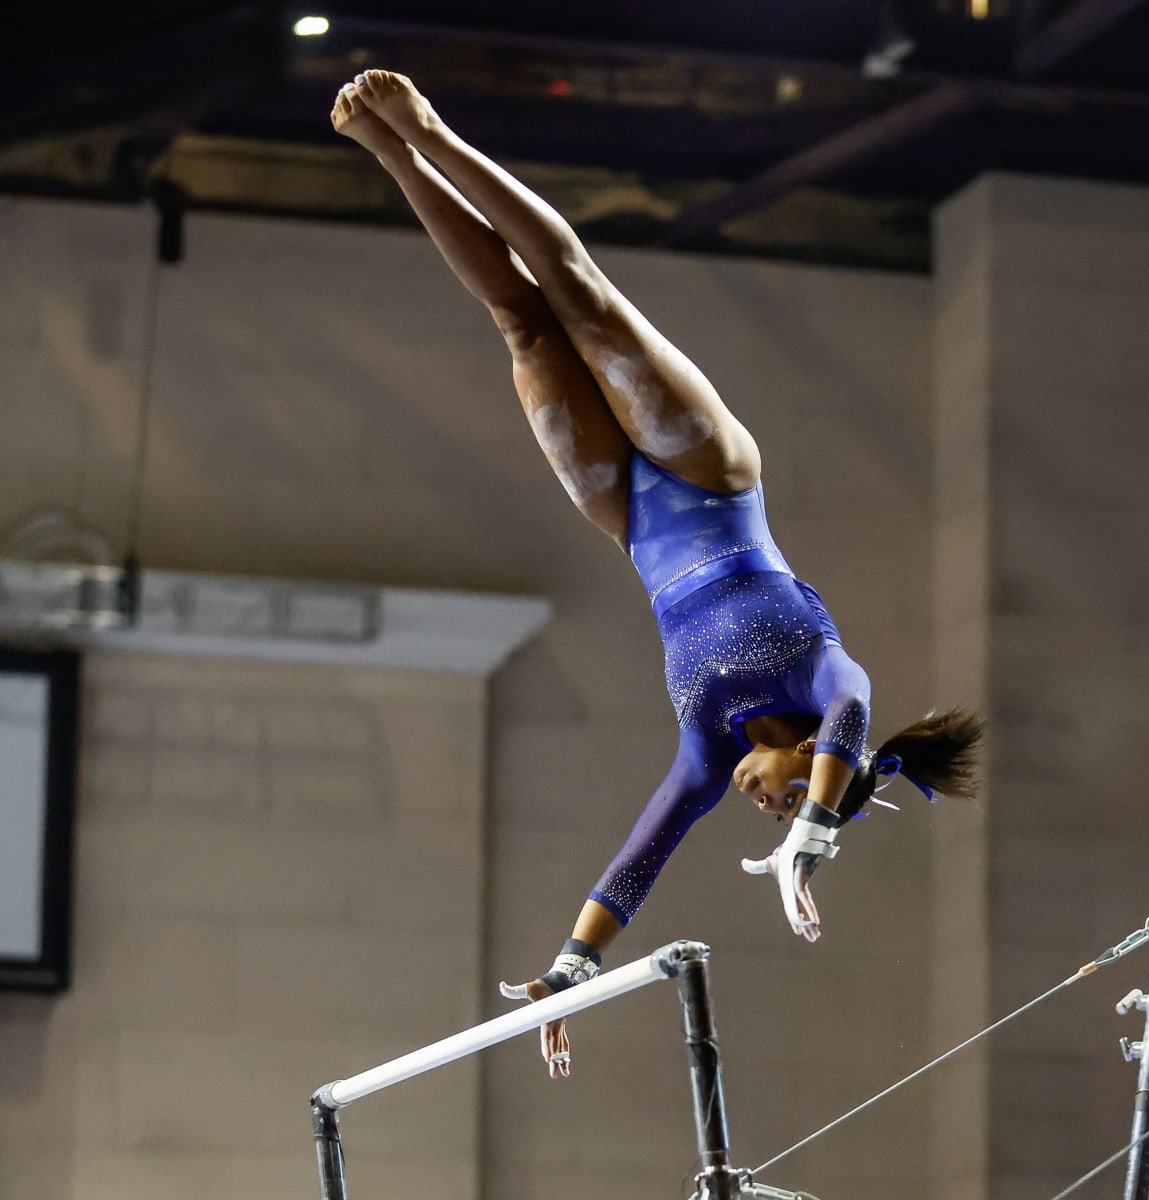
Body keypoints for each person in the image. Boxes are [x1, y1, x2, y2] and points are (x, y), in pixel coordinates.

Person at [331, 72, 983, 1077]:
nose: (761, 809)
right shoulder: (828, 684)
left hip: (631, 521)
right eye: (783, 802)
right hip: (708, 475)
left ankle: (388, 157)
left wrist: (571, 968)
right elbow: (853, 722)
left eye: (769, 815)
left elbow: (638, 863)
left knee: (523, 323)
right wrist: (814, 832)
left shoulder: (705, 752)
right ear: (815, 761)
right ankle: (432, 132)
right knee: (577, 289)